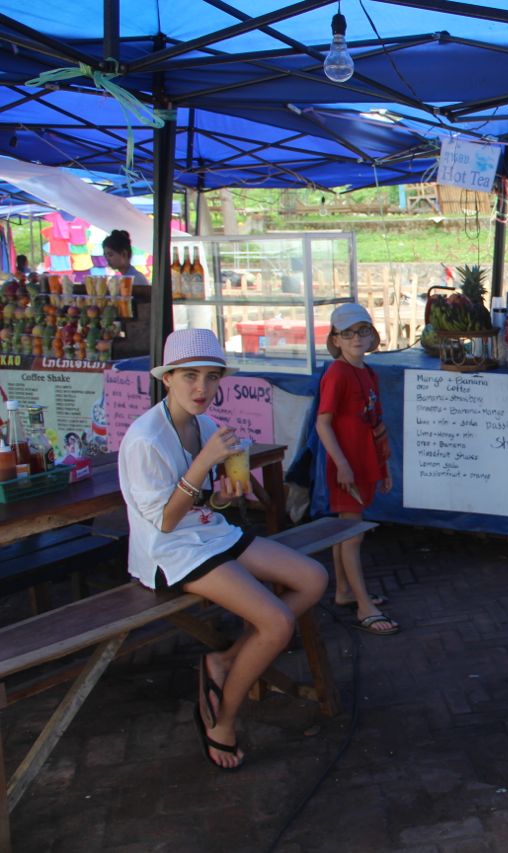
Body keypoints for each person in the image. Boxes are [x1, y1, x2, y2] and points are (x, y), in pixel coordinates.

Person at [118, 329, 327, 770]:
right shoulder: (145, 440)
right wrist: (203, 463)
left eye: (212, 377)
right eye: (190, 376)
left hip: (208, 533)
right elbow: (165, 521)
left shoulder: (206, 426)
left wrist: (223, 496)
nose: (202, 388)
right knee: (276, 622)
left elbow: (205, 502)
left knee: (314, 578)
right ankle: (223, 721)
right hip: (169, 552)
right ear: (168, 378)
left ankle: (225, 659)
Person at [315, 303, 398, 635]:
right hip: (347, 465)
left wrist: (383, 465)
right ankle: (364, 605)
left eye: (362, 331)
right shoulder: (337, 373)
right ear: (336, 339)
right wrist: (342, 465)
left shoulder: (367, 372)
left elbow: (374, 423)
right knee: (352, 534)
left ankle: (344, 591)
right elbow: (323, 423)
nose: (356, 339)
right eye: (347, 333)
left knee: (345, 530)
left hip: (364, 461)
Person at [102, 229, 151, 359]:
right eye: (105, 255)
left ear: (123, 254)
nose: (107, 259)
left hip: (139, 338)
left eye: (110, 255)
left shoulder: (136, 280)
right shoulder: (122, 279)